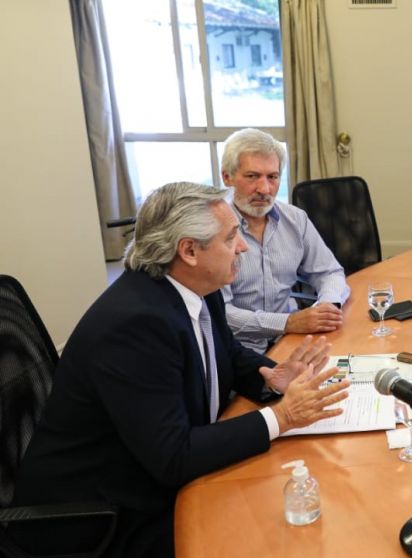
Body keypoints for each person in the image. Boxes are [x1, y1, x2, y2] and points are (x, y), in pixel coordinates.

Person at [11, 182, 351, 557]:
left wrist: (272, 377)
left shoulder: (196, 288)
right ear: (189, 250)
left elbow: (229, 354)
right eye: (231, 237)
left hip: (153, 470)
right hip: (102, 517)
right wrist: (281, 417)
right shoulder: (135, 325)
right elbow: (173, 458)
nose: (241, 247)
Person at [221, 128, 351, 354]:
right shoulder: (211, 227)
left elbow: (329, 272)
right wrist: (287, 322)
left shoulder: (295, 219)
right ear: (227, 177)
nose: (264, 189)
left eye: (272, 177)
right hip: (235, 351)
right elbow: (220, 313)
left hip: (289, 341)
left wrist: (327, 306)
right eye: (252, 176)